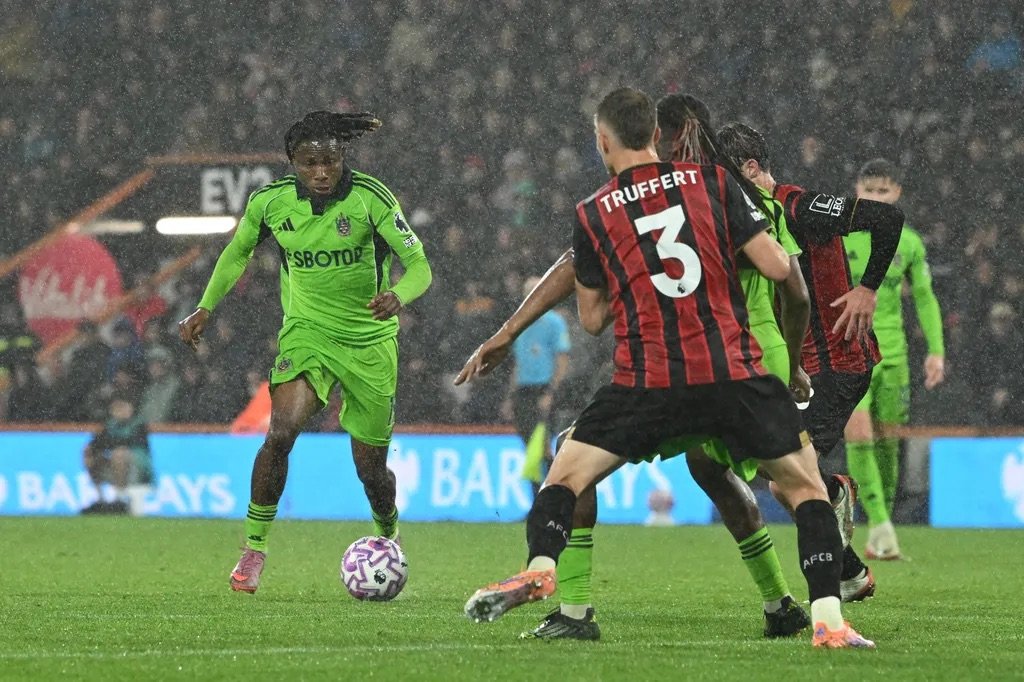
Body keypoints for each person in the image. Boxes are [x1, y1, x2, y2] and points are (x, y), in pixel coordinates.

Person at [464, 87, 873, 649]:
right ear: (657, 135)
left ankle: (546, 569)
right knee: (805, 489)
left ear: (602, 140)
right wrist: (795, 352)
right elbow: (782, 272)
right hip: (736, 372)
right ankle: (827, 616)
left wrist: (620, 276)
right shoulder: (716, 185)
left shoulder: (595, 212)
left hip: (649, 380)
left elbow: (591, 320)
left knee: (566, 473)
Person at [178, 111, 432, 593]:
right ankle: (254, 549)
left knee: (371, 472)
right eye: (310, 163)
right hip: (307, 334)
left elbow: (419, 264)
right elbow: (237, 253)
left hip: (370, 343)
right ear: (292, 161)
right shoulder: (270, 203)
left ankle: (387, 534)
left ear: (343, 158)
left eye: (330, 162)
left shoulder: (370, 198)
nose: (321, 172)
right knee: (281, 431)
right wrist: (205, 306)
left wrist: (400, 294)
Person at [715, 121, 905, 598]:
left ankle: (836, 527)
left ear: (752, 169)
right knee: (785, 478)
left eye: (728, 176)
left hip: (838, 363)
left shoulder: (799, 206)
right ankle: (852, 572)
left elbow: (888, 219)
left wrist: (867, 288)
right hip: (806, 369)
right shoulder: (751, 222)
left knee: (788, 481)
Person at [842, 158, 945, 560]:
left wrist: (936, 350)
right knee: (860, 433)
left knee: (887, 441)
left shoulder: (910, 242)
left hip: (895, 355)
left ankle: (877, 526)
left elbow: (924, 297)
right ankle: (883, 525)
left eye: (884, 191)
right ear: (856, 191)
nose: (877, 198)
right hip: (851, 351)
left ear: (897, 193)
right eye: (870, 191)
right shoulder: (840, 236)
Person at [510, 276, 570, 498]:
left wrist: (551, 392)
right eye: (528, 292)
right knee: (531, 449)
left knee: (543, 446)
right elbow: (518, 360)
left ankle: (553, 497)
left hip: (543, 389)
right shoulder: (520, 321)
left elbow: (562, 359)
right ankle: (539, 502)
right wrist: (511, 394)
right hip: (523, 391)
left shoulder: (554, 322)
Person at [81, 393, 154, 516]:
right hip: (116, 467)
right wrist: (90, 452)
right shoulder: (110, 425)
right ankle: (100, 498)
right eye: (116, 408)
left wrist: (111, 443)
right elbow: (96, 443)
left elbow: (129, 443)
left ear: (130, 408)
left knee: (119, 454)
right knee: (89, 454)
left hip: (138, 468)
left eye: (122, 407)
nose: (119, 411)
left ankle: (119, 499)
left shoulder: (139, 424)